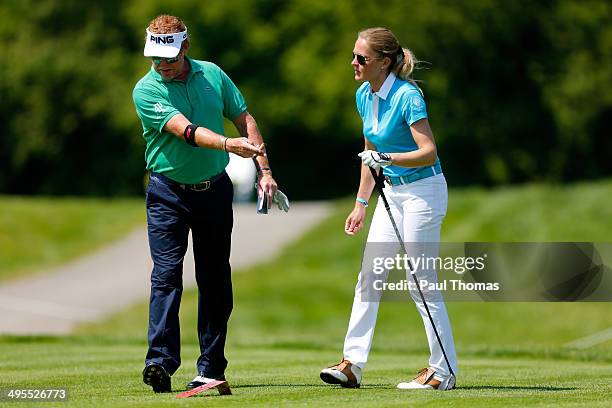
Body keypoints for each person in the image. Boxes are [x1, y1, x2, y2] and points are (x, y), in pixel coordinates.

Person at [132, 14, 289, 393]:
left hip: (214, 191)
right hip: (167, 193)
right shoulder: (146, 89)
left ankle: (211, 369)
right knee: (166, 276)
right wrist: (226, 145)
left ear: (186, 47)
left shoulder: (213, 75)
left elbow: (243, 118)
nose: (162, 65)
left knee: (215, 278)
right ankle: (161, 363)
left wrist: (264, 169)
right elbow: (185, 131)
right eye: (156, 58)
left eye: (168, 57)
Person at [319, 27, 458, 390]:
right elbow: (369, 153)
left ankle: (443, 372)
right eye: (354, 55)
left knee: (420, 281)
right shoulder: (364, 94)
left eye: (361, 58)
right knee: (370, 276)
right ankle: (352, 364)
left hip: (423, 193)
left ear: (383, 62)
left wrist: (388, 157)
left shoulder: (408, 95)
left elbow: (428, 151)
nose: (354, 63)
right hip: (390, 194)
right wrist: (361, 203)